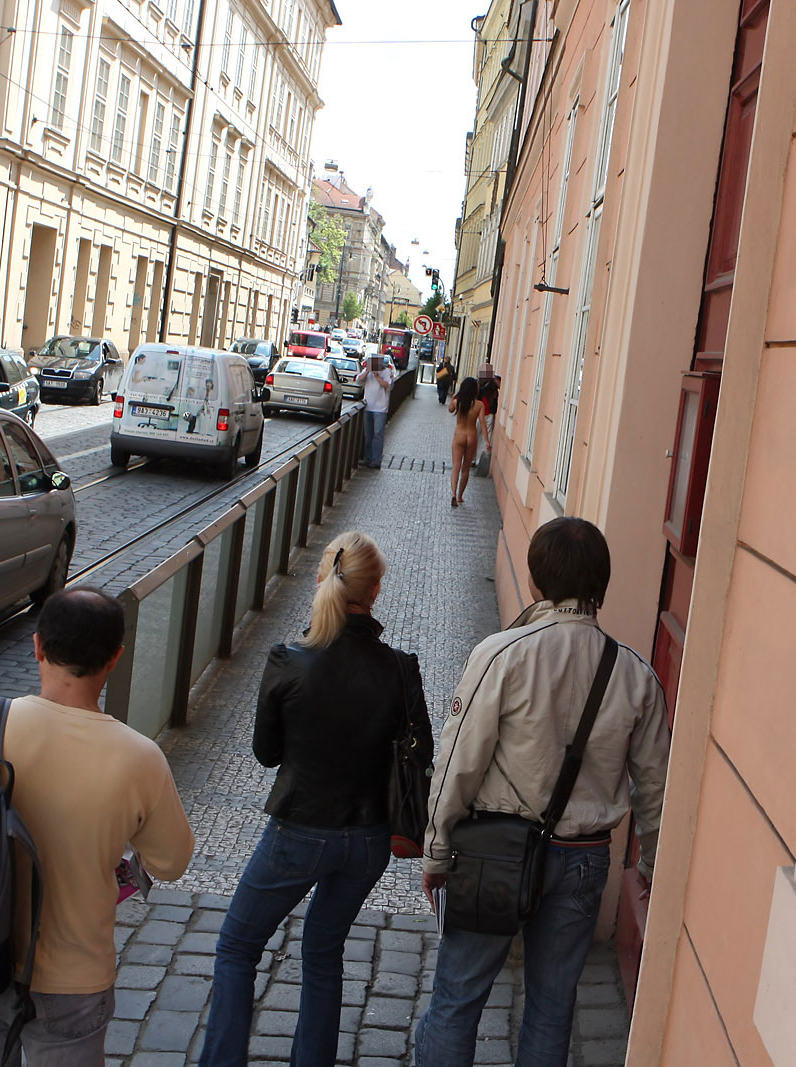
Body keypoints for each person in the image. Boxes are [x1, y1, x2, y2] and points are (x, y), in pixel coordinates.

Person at [0, 588, 195, 1065]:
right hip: (74, 977)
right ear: (115, 658)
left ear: (37, 646)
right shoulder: (140, 758)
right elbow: (172, 862)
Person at [415, 518, 671, 1067]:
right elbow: (655, 787)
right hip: (584, 858)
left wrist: (436, 849)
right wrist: (651, 863)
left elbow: (459, 763)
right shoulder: (638, 676)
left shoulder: (503, 654)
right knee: (552, 1010)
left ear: (535, 579)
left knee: (458, 1000)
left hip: (496, 854)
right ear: (601, 583)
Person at [199, 532, 431, 1067]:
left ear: (322, 579)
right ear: (375, 592)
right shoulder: (401, 668)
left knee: (237, 947)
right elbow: (421, 752)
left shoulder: (290, 659)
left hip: (298, 833)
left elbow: (265, 754)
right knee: (323, 954)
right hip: (369, 840)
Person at [447, 377, 487, 508]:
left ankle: (453, 493)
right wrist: (487, 441)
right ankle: (460, 496)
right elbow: (482, 422)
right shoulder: (479, 405)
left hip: (459, 435)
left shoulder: (457, 402)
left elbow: (450, 409)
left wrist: (455, 396)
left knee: (456, 466)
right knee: (466, 469)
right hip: (471, 436)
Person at [355, 353, 396, 469]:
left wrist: (377, 376)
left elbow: (388, 386)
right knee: (368, 434)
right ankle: (368, 458)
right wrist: (367, 371)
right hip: (368, 406)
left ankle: (376, 460)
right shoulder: (367, 371)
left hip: (380, 408)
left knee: (378, 434)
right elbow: (358, 380)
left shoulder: (387, 372)